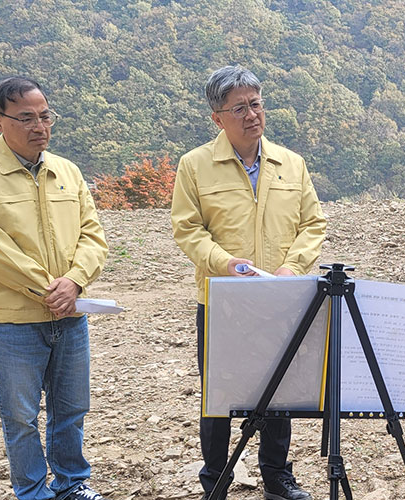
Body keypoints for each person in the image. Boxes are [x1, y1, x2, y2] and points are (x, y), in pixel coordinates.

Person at [171, 65, 326, 500]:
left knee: (279, 389)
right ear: (217, 117)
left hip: (280, 297)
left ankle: (277, 477)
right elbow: (187, 228)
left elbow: (313, 224)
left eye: (256, 104)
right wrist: (224, 263)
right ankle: (215, 481)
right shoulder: (196, 166)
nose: (251, 114)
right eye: (238, 108)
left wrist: (293, 268)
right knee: (218, 396)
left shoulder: (290, 164)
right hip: (223, 299)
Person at [0, 76, 109, 500]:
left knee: (71, 409)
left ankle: (72, 484)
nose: (39, 126)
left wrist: (75, 281)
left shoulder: (68, 171)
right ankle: (32, 492)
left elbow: (93, 236)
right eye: (26, 118)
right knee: (20, 417)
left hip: (72, 314)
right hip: (14, 320)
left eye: (45, 116)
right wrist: (50, 290)